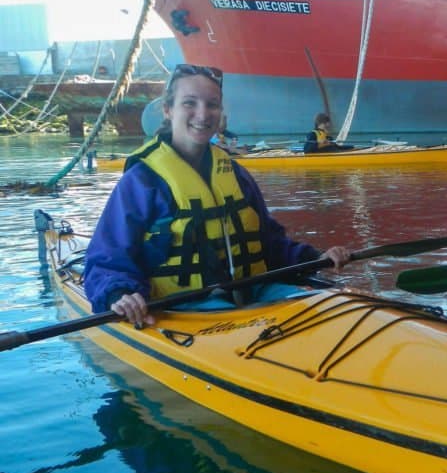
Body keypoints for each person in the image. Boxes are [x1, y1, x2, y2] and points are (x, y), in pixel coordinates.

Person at [83, 63, 353, 327]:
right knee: (223, 309)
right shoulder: (142, 181)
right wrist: (119, 293)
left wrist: (314, 258)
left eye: (212, 104)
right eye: (189, 103)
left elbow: (268, 241)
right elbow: (108, 257)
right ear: (168, 110)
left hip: (255, 292)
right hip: (185, 305)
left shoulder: (235, 174)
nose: (203, 114)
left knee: (325, 304)